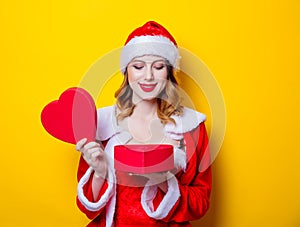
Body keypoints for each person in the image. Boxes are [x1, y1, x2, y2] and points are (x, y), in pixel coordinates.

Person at [75, 21, 212, 227]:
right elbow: (87, 208)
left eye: (158, 67)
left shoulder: (191, 127)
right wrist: (100, 172)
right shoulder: (100, 125)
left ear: (169, 73)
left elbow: (201, 203)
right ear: (126, 71)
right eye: (138, 66)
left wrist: (165, 181)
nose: (148, 76)